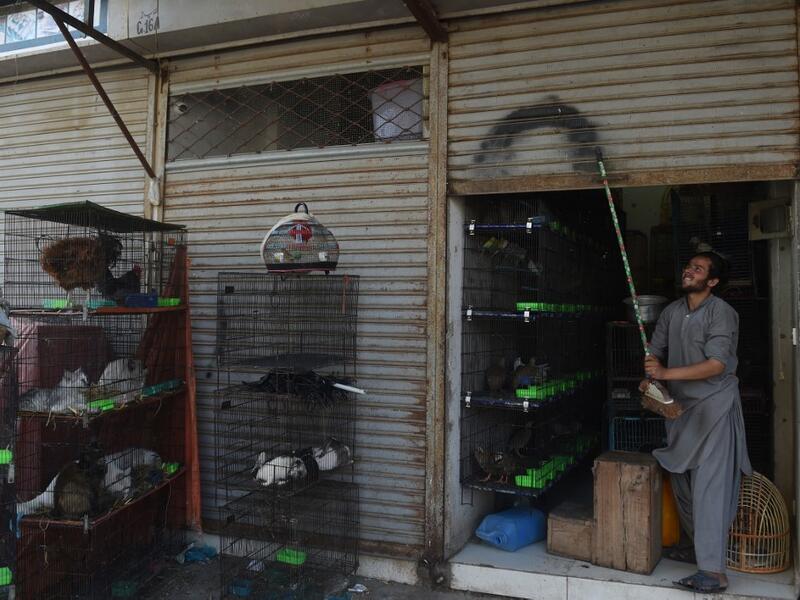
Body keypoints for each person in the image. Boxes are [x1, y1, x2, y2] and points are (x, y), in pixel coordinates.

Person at [639, 251, 751, 593]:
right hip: (681, 411)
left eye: (698, 269)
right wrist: (652, 377)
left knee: (710, 490)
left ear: (712, 281)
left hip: (715, 408)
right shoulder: (672, 312)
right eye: (689, 266)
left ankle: (713, 572)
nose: (689, 271)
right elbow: (654, 353)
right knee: (682, 483)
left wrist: (666, 372)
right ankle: (696, 547)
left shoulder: (722, 313)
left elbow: (717, 364)